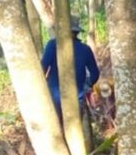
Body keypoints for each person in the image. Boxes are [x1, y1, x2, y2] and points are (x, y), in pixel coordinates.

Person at [41, 19, 100, 147]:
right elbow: (95, 73)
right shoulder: (85, 49)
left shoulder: (53, 45)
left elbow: (43, 68)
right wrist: (87, 85)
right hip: (77, 96)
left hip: (55, 97)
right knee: (74, 130)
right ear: (76, 33)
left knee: (57, 129)